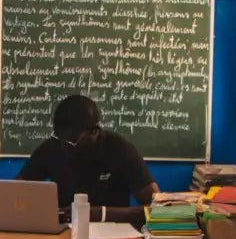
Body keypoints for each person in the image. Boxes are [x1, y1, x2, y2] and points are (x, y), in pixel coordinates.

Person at [18, 94, 157, 221]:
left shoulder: (121, 150)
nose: (63, 147)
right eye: (59, 139)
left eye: (72, 142)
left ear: (94, 132)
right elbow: (15, 192)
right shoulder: (52, 147)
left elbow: (156, 209)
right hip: (64, 234)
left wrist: (101, 214)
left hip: (111, 236)